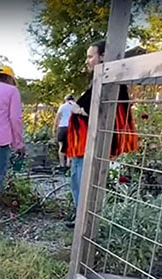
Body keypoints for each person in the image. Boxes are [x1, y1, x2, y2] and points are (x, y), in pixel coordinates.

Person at [66, 40, 138, 227]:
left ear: (103, 56)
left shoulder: (110, 82)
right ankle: (79, 217)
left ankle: (86, 221)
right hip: (81, 144)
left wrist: (79, 110)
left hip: (92, 143)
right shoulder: (97, 81)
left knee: (85, 183)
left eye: (91, 56)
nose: (87, 61)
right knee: (76, 180)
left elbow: (102, 112)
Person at [54, 95, 75, 169]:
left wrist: (55, 128)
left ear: (66, 99)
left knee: (61, 146)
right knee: (70, 146)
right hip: (72, 128)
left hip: (62, 127)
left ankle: (62, 164)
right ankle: (69, 163)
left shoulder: (62, 106)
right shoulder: (76, 106)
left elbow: (57, 118)